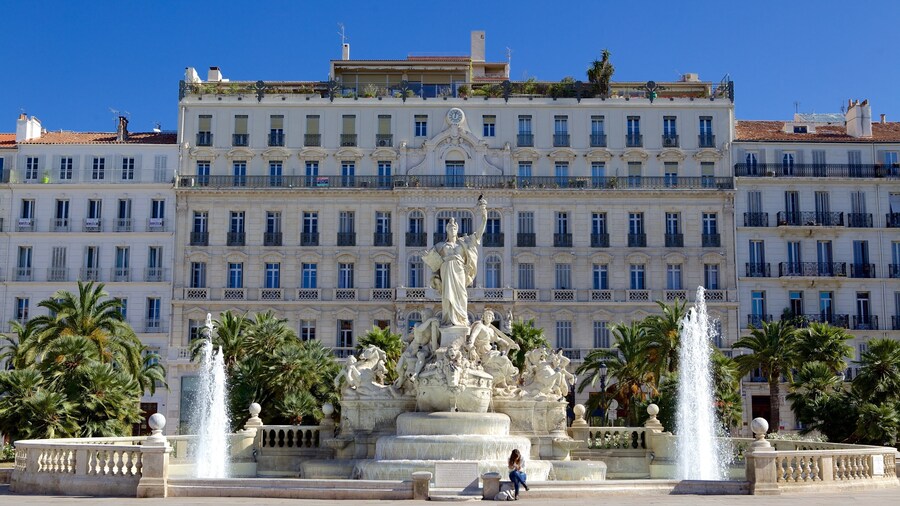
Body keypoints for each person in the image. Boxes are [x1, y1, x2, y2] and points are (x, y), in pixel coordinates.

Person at [422, 199, 488, 327]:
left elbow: (479, 234)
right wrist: (428, 257)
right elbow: (433, 261)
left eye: (454, 227)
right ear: (447, 230)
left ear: (457, 230)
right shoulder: (441, 245)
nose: (452, 229)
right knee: (447, 297)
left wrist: (484, 215)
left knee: (462, 295)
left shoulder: (464, 242)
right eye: (450, 227)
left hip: (459, 270)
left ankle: (461, 320)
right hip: (446, 270)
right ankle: (448, 321)